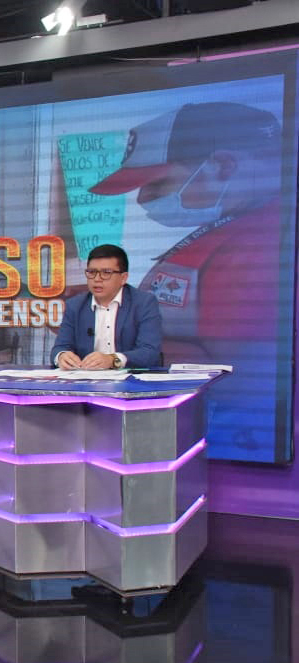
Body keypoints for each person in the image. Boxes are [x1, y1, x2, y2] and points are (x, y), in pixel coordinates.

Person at [88, 101, 284, 458]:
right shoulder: (235, 226)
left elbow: (241, 378)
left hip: (218, 440)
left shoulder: (260, 247)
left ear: (223, 166)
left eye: (157, 183)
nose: (143, 199)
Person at [50, 244, 162, 370]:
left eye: (106, 273)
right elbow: (59, 348)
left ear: (123, 278)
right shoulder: (75, 306)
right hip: (87, 378)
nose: (97, 279)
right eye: (92, 272)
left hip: (130, 378)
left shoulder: (143, 303)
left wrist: (113, 360)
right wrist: (61, 356)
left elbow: (150, 352)